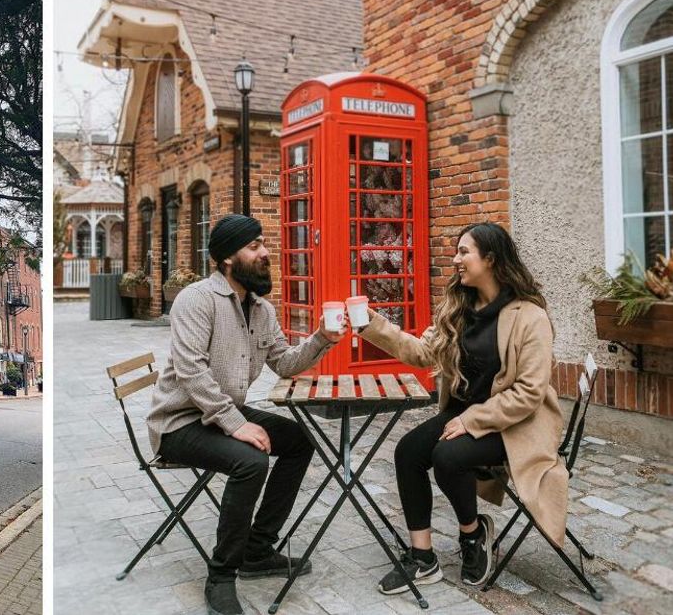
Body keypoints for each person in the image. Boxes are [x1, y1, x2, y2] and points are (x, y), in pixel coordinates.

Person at [146, 214, 344, 615]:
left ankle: (257, 549)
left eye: (264, 243)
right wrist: (237, 425)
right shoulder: (197, 300)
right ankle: (221, 575)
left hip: (221, 414)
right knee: (251, 461)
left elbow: (285, 364)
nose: (266, 252)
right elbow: (191, 373)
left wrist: (321, 337)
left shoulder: (260, 309)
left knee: (299, 442)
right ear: (227, 259)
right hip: (179, 422)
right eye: (254, 246)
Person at [355, 222, 566, 596]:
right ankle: (423, 559)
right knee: (408, 452)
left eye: (464, 252)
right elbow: (421, 353)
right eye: (457, 251)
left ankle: (473, 534)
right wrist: (370, 324)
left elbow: (529, 392)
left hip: (515, 426)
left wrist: (472, 419)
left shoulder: (529, 317)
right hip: (464, 415)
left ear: (491, 259)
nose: (456, 259)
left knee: (448, 456)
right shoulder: (460, 307)